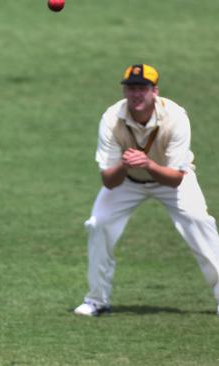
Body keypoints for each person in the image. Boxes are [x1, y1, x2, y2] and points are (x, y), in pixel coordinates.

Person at [74, 64, 219, 316]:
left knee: (200, 222)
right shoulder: (111, 118)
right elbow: (109, 181)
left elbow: (175, 179)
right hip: (127, 181)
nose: (136, 94)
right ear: (125, 91)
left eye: (142, 88)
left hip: (171, 178)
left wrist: (148, 164)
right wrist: (125, 164)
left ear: (155, 91)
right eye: (131, 88)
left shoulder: (175, 117)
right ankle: (96, 300)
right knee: (98, 224)